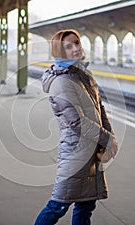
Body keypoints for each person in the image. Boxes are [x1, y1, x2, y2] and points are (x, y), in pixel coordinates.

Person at [34, 29, 118, 225]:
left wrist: (109, 135)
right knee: (58, 205)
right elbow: (77, 122)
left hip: (90, 150)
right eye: (68, 47)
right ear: (59, 52)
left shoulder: (81, 75)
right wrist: (107, 138)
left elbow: (99, 108)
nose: (75, 49)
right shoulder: (62, 82)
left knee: (86, 205)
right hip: (76, 153)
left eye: (77, 43)